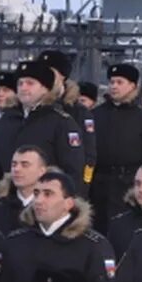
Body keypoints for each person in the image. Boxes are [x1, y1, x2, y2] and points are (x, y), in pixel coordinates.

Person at [89, 63, 142, 234]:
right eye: (112, 82)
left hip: (129, 186)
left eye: (120, 82)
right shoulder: (95, 115)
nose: (114, 86)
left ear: (132, 86)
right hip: (98, 186)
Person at [0, 60, 84, 186]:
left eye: (30, 83)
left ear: (45, 88)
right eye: (20, 83)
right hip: (8, 196)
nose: (23, 88)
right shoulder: (6, 120)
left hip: (45, 195)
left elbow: (73, 169)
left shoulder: (61, 122)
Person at [37, 50, 97, 195]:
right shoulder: (30, 107)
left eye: (51, 71)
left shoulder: (78, 112)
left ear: (62, 76)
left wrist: (82, 187)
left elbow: (89, 157)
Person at [0, 145, 48, 238]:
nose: (17, 169)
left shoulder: (53, 208)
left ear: (42, 171)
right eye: (14, 164)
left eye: (25, 165)